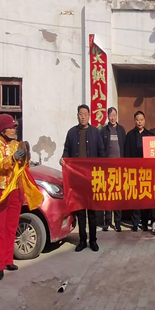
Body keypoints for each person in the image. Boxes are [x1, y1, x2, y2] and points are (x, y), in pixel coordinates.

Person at [60, 105, 105, 252]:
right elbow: (66, 150)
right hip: (77, 178)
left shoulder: (95, 133)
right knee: (80, 211)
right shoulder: (72, 133)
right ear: (77, 116)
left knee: (92, 210)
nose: (83, 117)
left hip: (91, 178)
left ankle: (93, 240)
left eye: (85, 114)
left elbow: (101, 153)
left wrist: (101, 169)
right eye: (80, 114)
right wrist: (63, 159)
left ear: (89, 115)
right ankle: (82, 240)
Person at [0, 115, 27, 281]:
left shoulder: (16, 144)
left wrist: (25, 156)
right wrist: (12, 159)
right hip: (0, 191)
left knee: (12, 227)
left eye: (14, 127)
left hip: (15, 190)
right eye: (10, 127)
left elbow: (23, 167)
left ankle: (8, 260)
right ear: (2, 130)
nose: (13, 129)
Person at [124, 111, 153, 232]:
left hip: (146, 171)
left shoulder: (150, 135)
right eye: (137, 120)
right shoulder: (130, 135)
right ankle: (135, 223)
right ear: (134, 121)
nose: (139, 122)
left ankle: (145, 222)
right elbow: (127, 154)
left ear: (144, 121)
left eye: (141, 120)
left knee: (145, 197)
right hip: (134, 171)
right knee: (135, 197)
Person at [101, 107, 126, 232]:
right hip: (107, 168)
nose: (112, 117)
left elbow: (124, 147)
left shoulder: (121, 130)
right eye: (110, 115)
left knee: (118, 195)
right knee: (108, 195)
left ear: (117, 116)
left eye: (114, 115)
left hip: (119, 168)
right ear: (107, 116)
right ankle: (107, 221)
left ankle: (117, 222)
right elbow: (101, 148)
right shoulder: (104, 131)